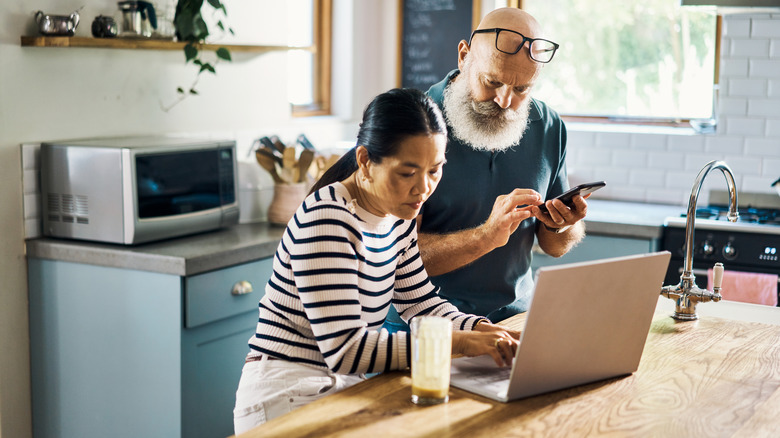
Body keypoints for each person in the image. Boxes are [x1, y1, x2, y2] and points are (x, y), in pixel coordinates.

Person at [233, 88, 521, 434]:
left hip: (339, 387)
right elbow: (346, 350)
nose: (424, 188)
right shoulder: (328, 218)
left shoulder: (396, 214)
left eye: (435, 170)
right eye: (407, 173)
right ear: (366, 161)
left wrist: (480, 328)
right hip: (285, 393)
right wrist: (458, 342)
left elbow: (420, 302)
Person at [384, 8, 589, 331]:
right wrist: (485, 237)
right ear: (464, 56)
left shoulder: (549, 126)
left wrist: (563, 226)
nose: (506, 100)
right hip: (425, 326)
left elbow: (554, 247)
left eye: (523, 89)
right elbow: (390, 257)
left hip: (515, 322)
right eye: (493, 81)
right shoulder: (413, 123)